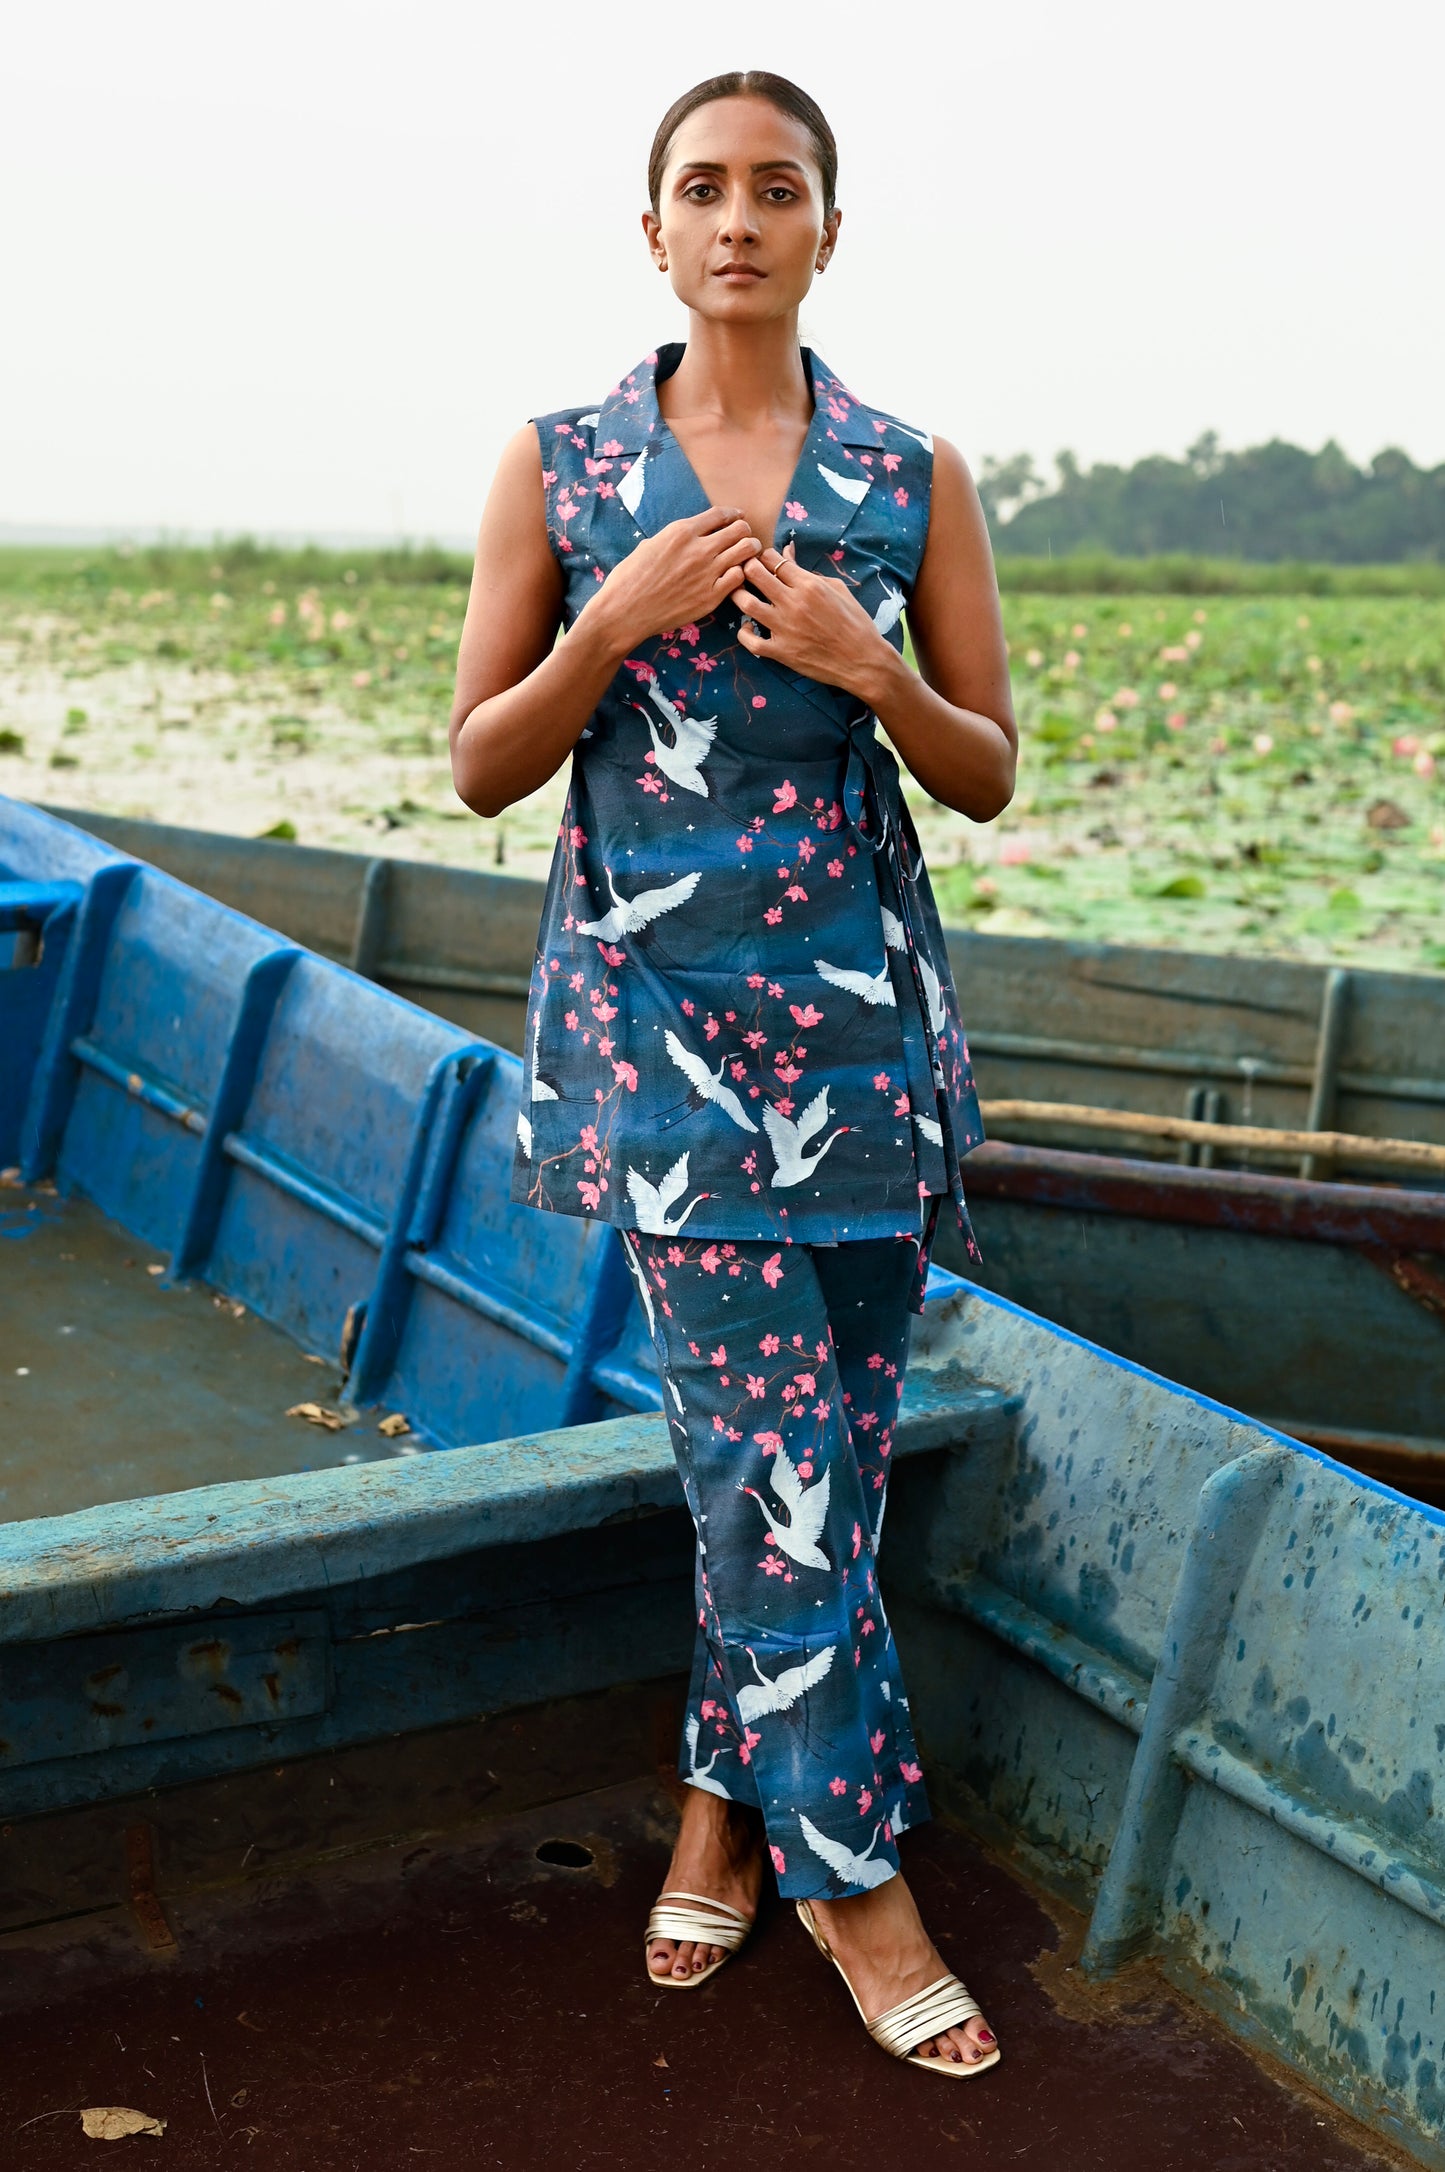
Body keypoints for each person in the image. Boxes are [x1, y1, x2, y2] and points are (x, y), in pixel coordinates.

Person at [450, 70, 1016, 2079]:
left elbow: (987, 767)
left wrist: (875, 675)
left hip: (859, 1043)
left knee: (821, 1465)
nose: (740, 217)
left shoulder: (904, 473)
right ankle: (859, 1878)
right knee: (774, 1460)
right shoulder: (566, 465)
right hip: (663, 1050)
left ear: (827, 231)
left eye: (779, 187)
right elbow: (486, 762)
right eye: (704, 186)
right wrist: (612, 623)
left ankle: (718, 1800)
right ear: (656, 230)